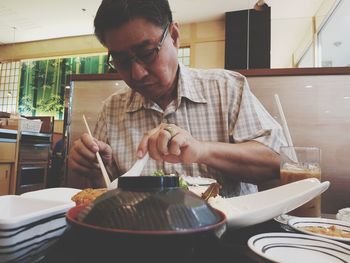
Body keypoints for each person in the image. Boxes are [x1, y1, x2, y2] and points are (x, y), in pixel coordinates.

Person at [68, 0, 287, 197]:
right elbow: (102, 193)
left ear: (173, 36)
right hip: (139, 233)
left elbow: (276, 164)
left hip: (224, 235)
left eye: (146, 54)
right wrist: (94, 167)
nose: (137, 73)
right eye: (122, 61)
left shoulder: (227, 88)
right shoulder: (112, 109)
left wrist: (201, 150)